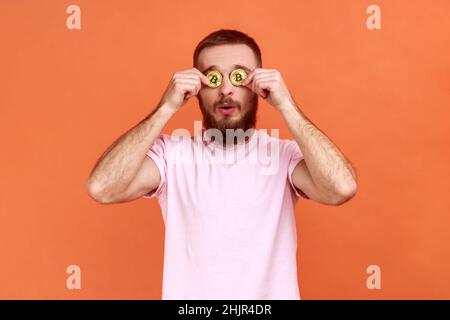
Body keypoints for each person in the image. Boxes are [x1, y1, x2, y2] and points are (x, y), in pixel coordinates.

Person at [86, 29, 358, 300]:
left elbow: (341, 188)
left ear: (258, 86)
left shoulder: (283, 156)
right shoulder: (172, 156)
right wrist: (165, 108)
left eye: (239, 76)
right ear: (197, 88)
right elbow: (102, 187)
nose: (226, 89)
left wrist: (287, 105)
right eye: (214, 78)